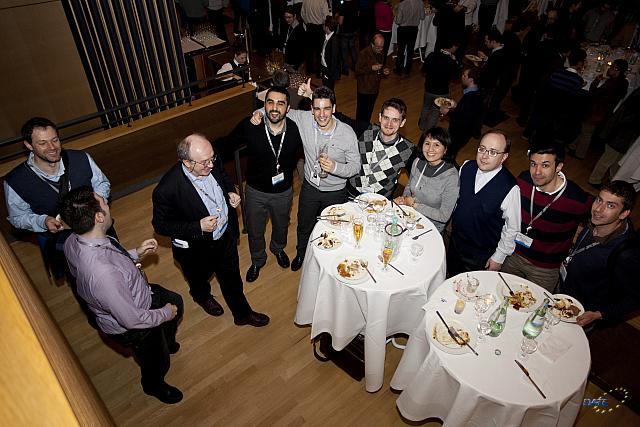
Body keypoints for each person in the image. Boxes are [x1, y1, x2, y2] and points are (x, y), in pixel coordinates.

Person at [62, 187, 183, 404]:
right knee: (156, 360)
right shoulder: (104, 275)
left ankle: (166, 339)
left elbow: (112, 260)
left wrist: (135, 253)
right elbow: (132, 319)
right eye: (104, 202)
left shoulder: (74, 240)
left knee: (176, 302)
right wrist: (165, 313)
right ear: (99, 217)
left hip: (139, 294)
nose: (108, 204)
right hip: (135, 324)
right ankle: (153, 385)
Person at [152, 133, 269, 326]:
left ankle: (242, 314)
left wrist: (231, 191)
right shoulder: (167, 189)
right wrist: (197, 226)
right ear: (187, 162)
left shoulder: (211, 159)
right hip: (196, 248)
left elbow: (223, 176)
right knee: (198, 279)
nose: (211, 165)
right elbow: (160, 225)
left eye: (212, 158)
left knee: (232, 279)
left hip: (225, 236)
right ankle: (202, 297)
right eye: (205, 162)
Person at [251, 85, 360, 271]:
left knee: (331, 229)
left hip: (335, 192)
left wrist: (335, 167)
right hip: (310, 187)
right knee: (304, 225)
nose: (322, 114)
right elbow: (277, 109)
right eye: (317, 109)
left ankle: (325, 263)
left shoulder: (347, 133)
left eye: (326, 109)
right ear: (311, 109)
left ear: (334, 109)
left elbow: (355, 167)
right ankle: (301, 253)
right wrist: (259, 113)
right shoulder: (304, 119)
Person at [4, 117, 111, 281]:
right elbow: (18, 217)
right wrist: (43, 221)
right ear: (29, 145)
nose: (52, 147)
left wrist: (97, 202)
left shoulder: (80, 158)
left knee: (114, 263)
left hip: (98, 228)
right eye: (43, 143)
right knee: (81, 279)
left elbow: (102, 183)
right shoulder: (16, 181)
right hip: (64, 241)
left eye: (55, 140)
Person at [223, 87, 303, 282]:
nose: (274, 108)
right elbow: (225, 145)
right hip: (255, 192)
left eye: (280, 103)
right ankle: (258, 259)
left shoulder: (295, 130)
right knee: (255, 230)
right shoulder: (251, 125)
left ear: (288, 108)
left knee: (281, 226)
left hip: (283, 192)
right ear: (264, 105)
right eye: (270, 102)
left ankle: (278, 249)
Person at [501, 143, 593, 292]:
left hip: (545, 269)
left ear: (559, 166)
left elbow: (600, 218)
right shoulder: (523, 181)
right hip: (513, 255)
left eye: (545, 165)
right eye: (533, 164)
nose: (537, 172)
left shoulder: (577, 199)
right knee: (501, 292)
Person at [560, 181, 639, 328]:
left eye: (610, 206)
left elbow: (634, 298)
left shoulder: (626, 254)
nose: (598, 209)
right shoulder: (595, 220)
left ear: (624, 213)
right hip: (562, 290)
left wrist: (598, 314)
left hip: (580, 311)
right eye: (599, 200)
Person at [448, 131, 521, 276]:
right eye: (482, 149)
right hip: (456, 242)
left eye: (493, 152)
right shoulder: (466, 167)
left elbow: (512, 228)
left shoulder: (510, 188)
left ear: (504, 157)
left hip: (480, 254)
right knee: (449, 276)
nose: (484, 156)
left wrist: (499, 257)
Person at [395, 127, 460, 233]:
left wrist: (414, 205)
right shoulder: (417, 162)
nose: (430, 149)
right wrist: (405, 198)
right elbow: (409, 186)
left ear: (445, 150)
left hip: (430, 227)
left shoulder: (451, 177)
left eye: (437, 145)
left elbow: (444, 216)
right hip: (410, 216)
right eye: (427, 143)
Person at [346, 98, 414, 198]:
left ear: (402, 122)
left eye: (395, 120)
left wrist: (406, 197)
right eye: (386, 118)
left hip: (379, 202)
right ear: (380, 117)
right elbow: (340, 119)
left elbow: (419, 178)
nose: (389, 124)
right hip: (351, 193)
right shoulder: (365, 130)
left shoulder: (408, 149)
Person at [588, 87, 640, 187]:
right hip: (621, 134)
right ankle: (594, 180)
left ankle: (613, 182)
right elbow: (628, 118)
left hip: (623, 134)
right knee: (608, 159)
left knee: (616, 161)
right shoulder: (636, 98)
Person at [439, 67, 484, 162]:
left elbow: (463, 120)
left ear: (471, 80)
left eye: (464, 75)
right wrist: (457, 106)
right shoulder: (475, 92)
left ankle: (447, 164)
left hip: (460, 132)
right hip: (463, 131)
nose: (462, 76)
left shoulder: (471, 98)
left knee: (450, 151)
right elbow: (467, 112)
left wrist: (448, 112)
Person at [418, 39, 460, 132]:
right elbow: (457, 77)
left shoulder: (432, 55)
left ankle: (421, 126)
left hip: (428, 89)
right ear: (452, 47)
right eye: (456, 47)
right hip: (442, 92)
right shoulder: (451, 61)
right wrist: (455, 61)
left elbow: (423, 70)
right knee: (435, 112)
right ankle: (428, 132)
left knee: (425, 107)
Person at [355, 34, 389, 122]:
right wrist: (371, 68)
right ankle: (359, 128)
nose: (380, 49)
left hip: (374, 88)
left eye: (382, 47)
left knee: (369, 111)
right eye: (378, 47)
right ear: (372, 45)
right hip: (364, 89)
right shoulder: (364, 53)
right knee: (361, 113)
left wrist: (383, 70)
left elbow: (380, 66)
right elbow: (357, 70)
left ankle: (366, 126)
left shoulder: (381, 52)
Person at [394, 0, 425, 76]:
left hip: (403, 30)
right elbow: (422, 17)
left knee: (401, 50)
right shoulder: (420, 2)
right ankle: (407, 69)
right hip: (413, 29)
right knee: (410, 50)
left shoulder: (402, 4)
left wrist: (395, 13)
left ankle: (399, 70)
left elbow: (398, 21)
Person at [301, 0, 330, 76]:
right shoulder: (323, 1)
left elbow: (302, 14)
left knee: (309, 51)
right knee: (319, 51)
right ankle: (318, 72)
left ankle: (309, 70)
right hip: (319, 28)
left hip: (309, 28)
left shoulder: (306, 1)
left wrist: (307, 22)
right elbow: (326, 17)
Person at [320, 15, 340, 90]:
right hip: (324, 68)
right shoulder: (326, 36)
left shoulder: (334, 41)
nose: (322, 26)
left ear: (327, 28)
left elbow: (334, 60)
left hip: (329, 71)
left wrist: (328, 74)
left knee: (329, 90)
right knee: (326, 89)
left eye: (323, 25)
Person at [374, 0, 394, 65]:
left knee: (377, 47)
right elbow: (390, 22)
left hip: (378, 29)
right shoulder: (388, 8)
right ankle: (383, 63)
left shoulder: (377, 4)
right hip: (386, 31)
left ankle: (376, 62)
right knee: (385, 49)